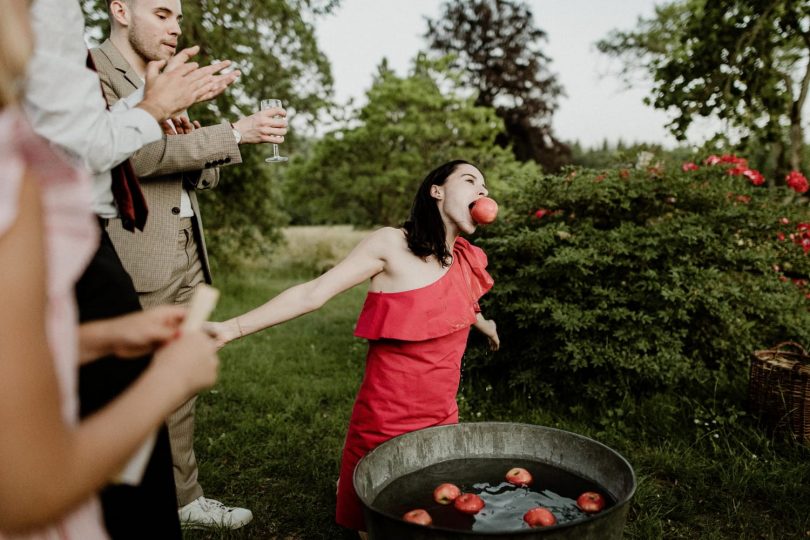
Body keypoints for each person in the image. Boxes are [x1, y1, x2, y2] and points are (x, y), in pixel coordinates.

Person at [0, 0, 220, 537]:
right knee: (134, 490)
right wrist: (168, 382)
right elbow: (22, 490)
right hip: (88, 245)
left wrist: (97, 339)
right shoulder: (17, 185)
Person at [209, 160, 501, 535]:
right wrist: (231, 328)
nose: (482, 191)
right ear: (436, 190)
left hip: (443, 417)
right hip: (385, 421)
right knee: (379, 526)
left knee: (436, 518)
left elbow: (464, 305)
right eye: (470, 180)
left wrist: (486, 326)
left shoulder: (465, 258)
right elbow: (312, 294)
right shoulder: (391, 244)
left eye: (485, 186)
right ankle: (349, 487)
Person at [88, 0, 288, 528]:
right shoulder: (91, 71)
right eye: (162, 14)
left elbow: (195, 171)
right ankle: (121, 508)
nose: (176, 28)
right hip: (136, 259)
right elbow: (134, 156)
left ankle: (186, 498)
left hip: (187, 254)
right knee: (131, 390)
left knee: (178, 387)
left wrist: (204, 145)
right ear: (120, 11)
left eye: (177, 17)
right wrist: (233, 134)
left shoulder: (168, 76)